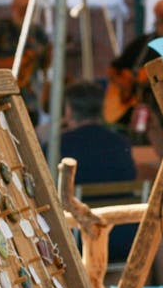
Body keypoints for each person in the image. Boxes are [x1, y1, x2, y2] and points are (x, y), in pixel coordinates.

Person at [53, 81, 138, 261]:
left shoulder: (58, 146)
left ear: (68, 110)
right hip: (126, 233)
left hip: (79, 236)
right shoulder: (120, 143)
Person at [103, 0, 163, 136]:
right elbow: (113, 69)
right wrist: (126, 85)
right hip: (138, 106)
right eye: (162, 18)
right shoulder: (142, 44)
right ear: (156, 17)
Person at [0, 0, 52, 123]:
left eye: (28, 8)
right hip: (3, 92)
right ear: (13, 8)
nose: (24, 11)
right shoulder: (1, 28)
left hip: (30, 97)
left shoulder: (38, 32)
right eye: (21, 7)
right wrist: (14, 63)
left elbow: (45, 64)